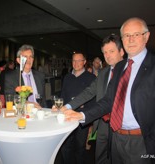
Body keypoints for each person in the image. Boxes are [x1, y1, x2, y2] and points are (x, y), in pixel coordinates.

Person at [64, 17, 155, 164]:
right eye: (126, 35)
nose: (130, 39)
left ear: (146, 36)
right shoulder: (119, 69)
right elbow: (107, 100)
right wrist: (80, 114)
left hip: (142, 142)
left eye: (136, 34)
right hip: (114, 135)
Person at [59, 34, 124, 164]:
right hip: (103, 124)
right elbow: (88, 93)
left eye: (111, 51)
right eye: (105, 52)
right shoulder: (104, 73)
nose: (108, 55)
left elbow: (109, 101)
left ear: (121, 51)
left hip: (122, 126)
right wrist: (67, 106)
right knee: (100, 159)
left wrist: (82, 115)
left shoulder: (128, 71)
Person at [60, 52, 96, 164]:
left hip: (82, 117)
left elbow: (94, 100)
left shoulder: (91, 78)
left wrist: (90, 121)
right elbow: (63, 95)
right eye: (74, 60)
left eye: (79, 60)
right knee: (66, 147)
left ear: (84, 62)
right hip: (68, 117)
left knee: (80, 148)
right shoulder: (67, 77)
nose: (76, 63)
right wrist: (59, 107)